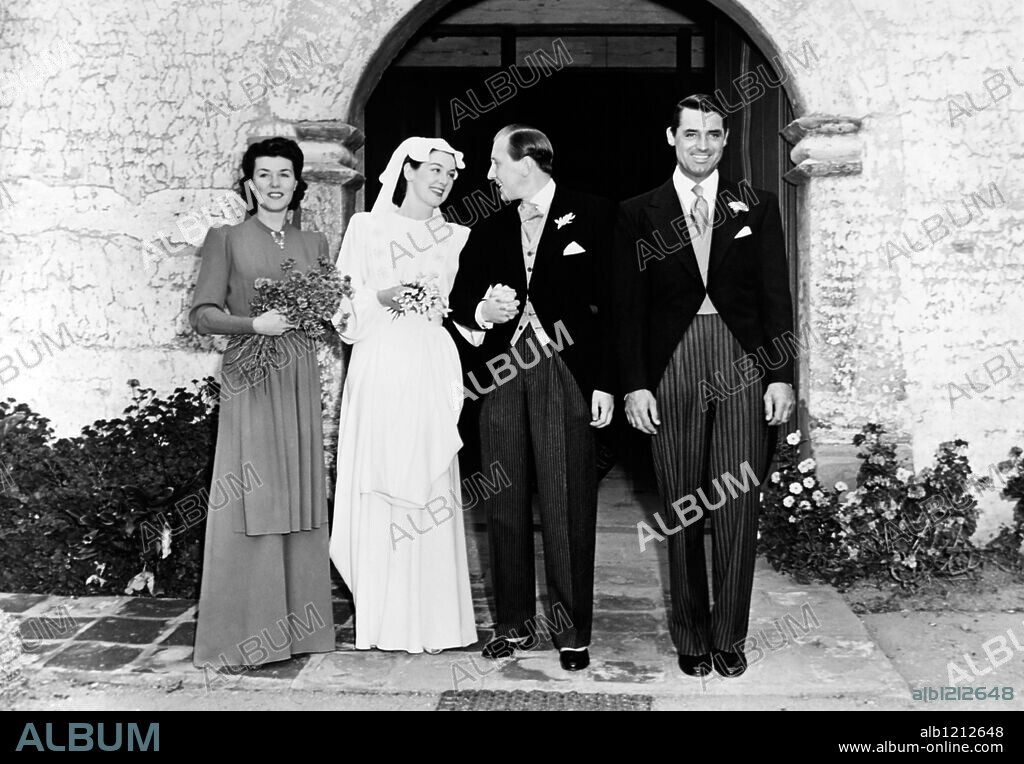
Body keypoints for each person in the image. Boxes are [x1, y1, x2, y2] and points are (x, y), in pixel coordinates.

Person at [613, 94, 796, 678]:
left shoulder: (757, 206)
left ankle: (729, 635)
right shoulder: (639, 212)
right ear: (672, 137)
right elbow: (626, 311)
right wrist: (635, 386)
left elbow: (776, 297)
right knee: (682, 503)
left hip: (742, 361)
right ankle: (691, 635)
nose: (701, 145)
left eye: (712, 135)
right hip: (672, 365)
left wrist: (780, 376)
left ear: (724, 140)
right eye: (690, 134)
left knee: (739, 500)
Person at [448, 125, 615, 672]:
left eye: (496, 163)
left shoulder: (592, 213)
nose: (489, 174)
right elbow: (460, 300)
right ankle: (513, 625)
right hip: (501, 374)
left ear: (527, 162)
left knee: (568, 503)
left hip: (566, 371)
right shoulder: (488, 228)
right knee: (505, 502)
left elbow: (615, 304)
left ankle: (571, 633)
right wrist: (482, 313)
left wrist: (606, 383)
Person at [190, 137, 335, 668]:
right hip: (251, 374)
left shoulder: (314, 242)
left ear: (298, 184)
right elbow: (202, 314)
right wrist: (254, 323)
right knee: (252, 492)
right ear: (248, 183)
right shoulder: (225, 238)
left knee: (298, 490)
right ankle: (240, 632)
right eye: (264, 174)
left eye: (285, 174)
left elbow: (326, 307)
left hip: (297, 374)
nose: (275, 183)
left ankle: (299, 632)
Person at [329, 137, 477, 654]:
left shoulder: (456, 236)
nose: (442, 180)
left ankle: (433, 622)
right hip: (382, 362)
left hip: (431, 365)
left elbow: (461, 313)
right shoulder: (366, 229)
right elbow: (343, 313)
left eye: (450, 174)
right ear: (407, 170)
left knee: (429, 482)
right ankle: (383, 620)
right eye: (433, 169)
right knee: (385, 479)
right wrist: (388, 296)